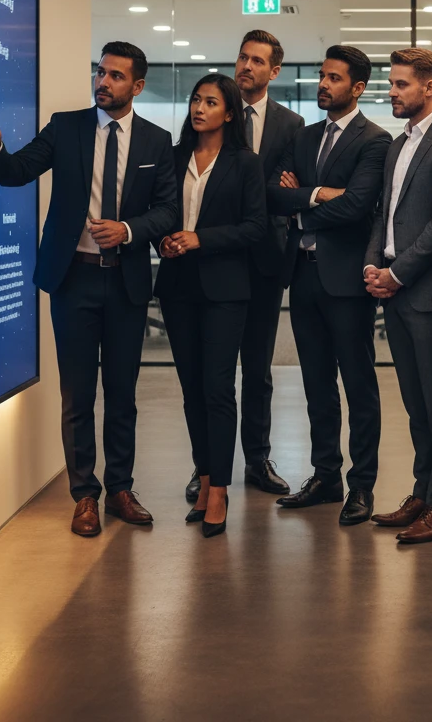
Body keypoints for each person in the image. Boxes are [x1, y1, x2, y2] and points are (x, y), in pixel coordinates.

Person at [0, 42, 177, 538]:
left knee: (123, 393)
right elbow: (17, 173)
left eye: (114, 76)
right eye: (99, 72)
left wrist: (127, 230)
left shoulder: (156, 140)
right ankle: (85, 495)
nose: (102, 82)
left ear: (137, 86)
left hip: (126, 279)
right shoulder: (66, 127)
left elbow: (168, 210)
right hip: (73, 279)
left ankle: (121, 488)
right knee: (77, 393)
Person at [268, 45, 391, 525]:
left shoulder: (375, 140)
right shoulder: (305, 135)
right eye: (321, 75)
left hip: (346, 281)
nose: (323, 84)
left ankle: (362, 486)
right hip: (303, 276)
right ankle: (326, 476)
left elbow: (358, 206)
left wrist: (301, 198)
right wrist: (315, 195)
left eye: (334, 78)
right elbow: (275, 196)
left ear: (357, 88)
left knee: (358, 385)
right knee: (316, 384)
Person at [184, 30, 304, 505]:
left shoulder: (291, 124)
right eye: (242, 57)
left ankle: (257, 458)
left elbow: (289, 189)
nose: (246, 66)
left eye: (258, 61)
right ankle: (207, 468)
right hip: (211, 259)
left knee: (257, 368)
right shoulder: (210, 122)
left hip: (265, 261)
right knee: (209, 374)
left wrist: (283, 190)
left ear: (274, 71)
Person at [364, 48, 432, 544]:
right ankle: (422, 491)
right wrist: (373, 265)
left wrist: (398, 274)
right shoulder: (395, 143)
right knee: (414, 402)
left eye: (402, 84)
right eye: (392, 84)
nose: (392, 91)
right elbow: (384, 214)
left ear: (429, 87)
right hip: (394, 289)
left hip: (426, 293)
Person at [155, 74, 267, 538]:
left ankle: (220, 487)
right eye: (196, 100)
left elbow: (255, 228)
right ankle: (203, 479)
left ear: (229, 113)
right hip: (178, 286)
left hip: (225, 290)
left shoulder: (245, 163)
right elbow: (162, 212)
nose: (200, 108)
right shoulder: (175, 157)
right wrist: (164, 236)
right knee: (191, 389)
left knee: (218, 388)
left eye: (211, 102)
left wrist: (201, 238)